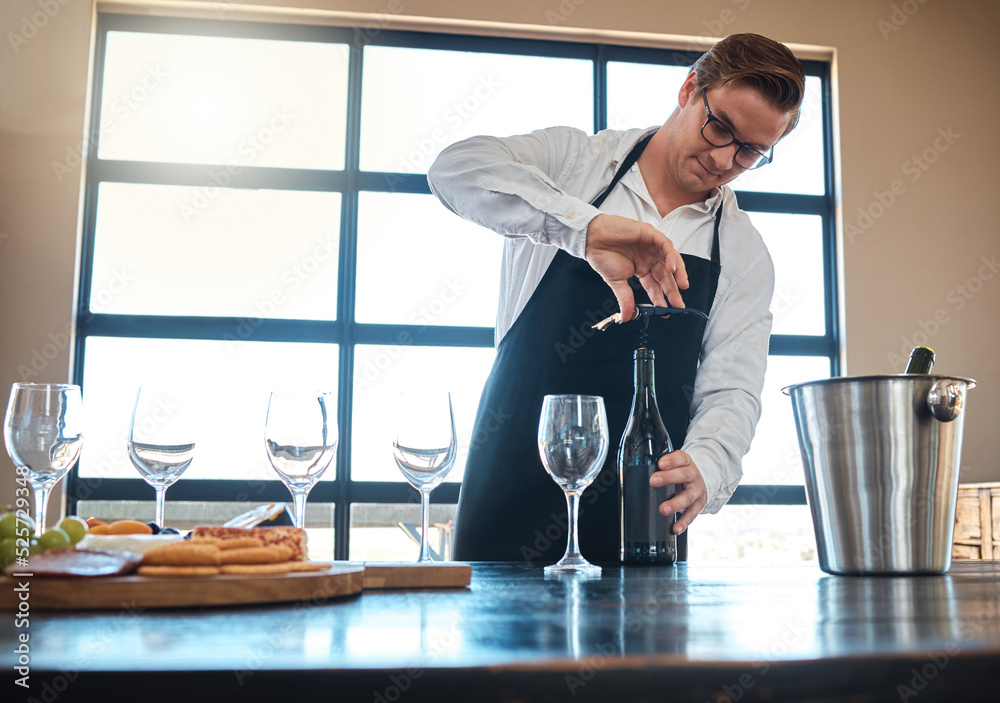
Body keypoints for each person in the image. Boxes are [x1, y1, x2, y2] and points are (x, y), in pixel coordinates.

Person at [427, 33, 805, 563]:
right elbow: (453, 169)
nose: (723, 158)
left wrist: (707, 465)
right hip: (510, 491)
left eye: (749, 151)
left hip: (646, 520)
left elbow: (731, 393)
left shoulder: (743, 254)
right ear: (690, 87)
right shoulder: (575, 164)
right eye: (719, 128)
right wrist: (586, 229)